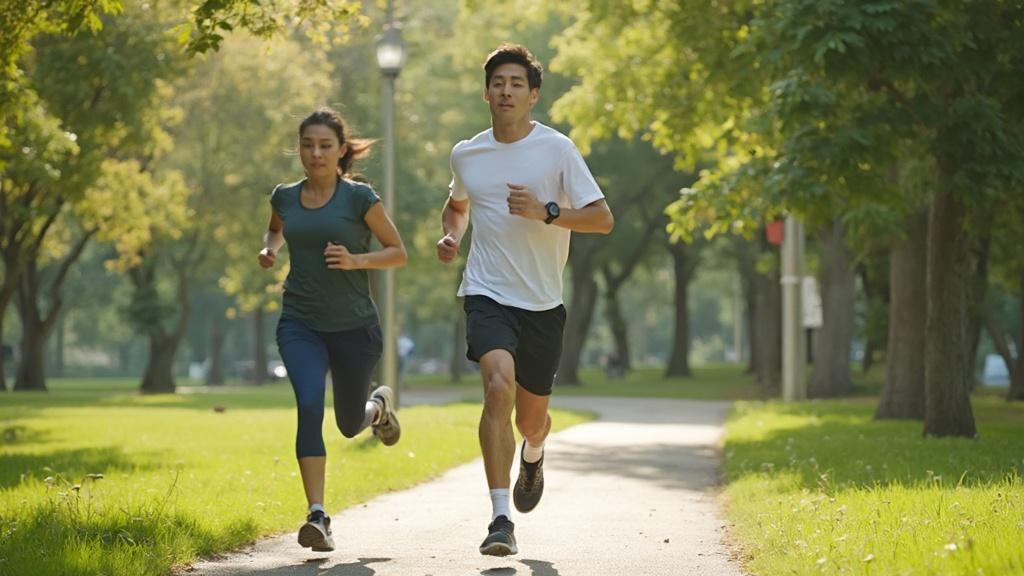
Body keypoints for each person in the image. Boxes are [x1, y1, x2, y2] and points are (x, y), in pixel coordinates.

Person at [436, 44, 614, 556]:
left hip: (541, 303)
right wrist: (451, 235)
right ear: (487, 92)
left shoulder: (557, 150)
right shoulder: (467, 153)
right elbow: (457, 206)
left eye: (517, 83)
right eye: (498, 83)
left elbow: (602, 219)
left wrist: (548, 211)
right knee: (497, 386)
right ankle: (499, 520)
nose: (506, 91)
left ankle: (533, 454)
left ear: (532, 95)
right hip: (486, 291)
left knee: (530, 419)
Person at [258, 107, 407, 552]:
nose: (316, 153)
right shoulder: (284, 196)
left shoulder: (359, 199)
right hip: (300, 322)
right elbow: (274, 231)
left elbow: (397, 252)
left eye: (325, 146)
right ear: (299, 149)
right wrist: (268, 250)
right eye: (307, 145)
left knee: (346, 423)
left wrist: (356, 260)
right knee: (308, 404)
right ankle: (318, 516)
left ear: (341, 151)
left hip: (353, 327)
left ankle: (377, 409)